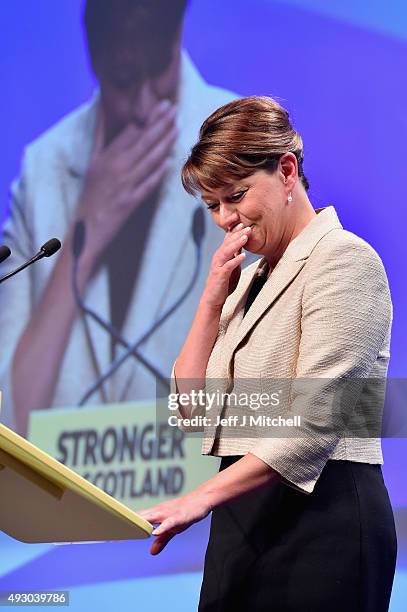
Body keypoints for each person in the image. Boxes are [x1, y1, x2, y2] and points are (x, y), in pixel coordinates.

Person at [138, 96, 397, 611]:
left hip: (325, 518)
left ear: (286, 170)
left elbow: (316, 421)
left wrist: (196, 499)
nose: (226, 218)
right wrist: (212, 298)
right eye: (212, 205)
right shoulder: (247, 281)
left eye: (236, 196)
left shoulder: (344, 259)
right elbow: (190, 411)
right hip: (242, 518)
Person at [0, 0, 236, 436]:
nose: (146, 108)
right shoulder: (44, 167)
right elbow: (14, 414)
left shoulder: (234, 147)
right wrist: (83, 231)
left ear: (178, 37)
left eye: (160, 77)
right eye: (125, 83)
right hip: (63, 490)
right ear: (96, 62)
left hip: (194, 481)